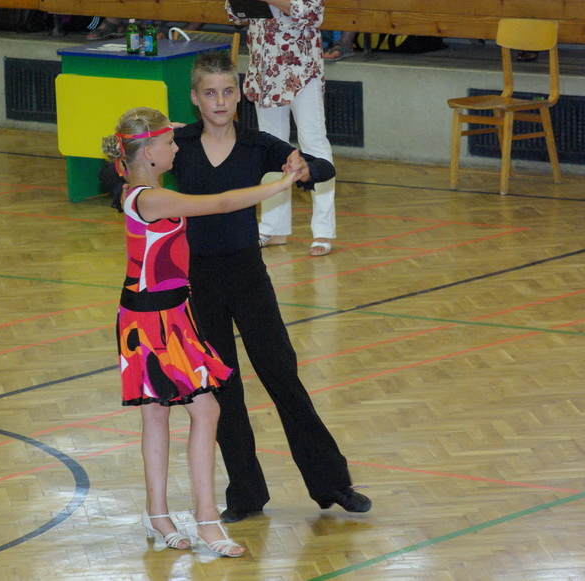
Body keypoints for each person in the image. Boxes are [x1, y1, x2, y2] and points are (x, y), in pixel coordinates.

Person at [168, 51, 372, 523]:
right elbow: (122, 168)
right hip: (197, 280)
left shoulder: (257, 144)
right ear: (195, 98)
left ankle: (332, 484)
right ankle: (245, 493)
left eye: (228, 91)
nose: (220, 101)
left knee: (282, 375)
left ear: (240, 94)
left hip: (248, 276)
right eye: (210, 93)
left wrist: (305, 168)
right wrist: (127, 180)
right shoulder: (179, 144)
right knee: (224, 388)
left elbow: (322, 166)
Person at [103, 107, 301, 557]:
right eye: (169, 143)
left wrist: (161, 130)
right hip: (151, 320)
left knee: (165, 414)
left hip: (170, 313)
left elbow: (141, 149)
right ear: (149, 153)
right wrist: (280, 184)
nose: (177, 148)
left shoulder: (137, 187)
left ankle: (164, 515)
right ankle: (200, 519)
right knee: (202, 411)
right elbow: (222, 203)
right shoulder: (151, 199)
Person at [227, 0, 335, 257]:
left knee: (314, 145)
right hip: (265, 72)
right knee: (271, 150)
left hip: (302, 71)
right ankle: (273, 227)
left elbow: (311, 12)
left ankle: (323, 230)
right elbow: (235, 14)